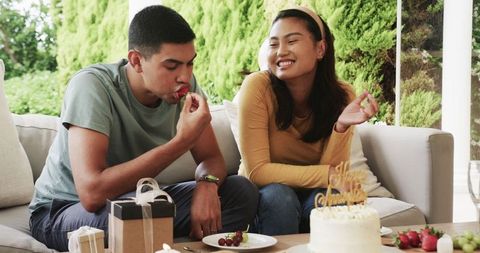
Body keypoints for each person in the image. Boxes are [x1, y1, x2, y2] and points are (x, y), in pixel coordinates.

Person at [28, 5, 258, 251]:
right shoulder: (92, 86)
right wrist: (180, 143)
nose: (184, 76)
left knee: (239, 191)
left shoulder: (184, 88)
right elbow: (92, 194)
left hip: (136, 201)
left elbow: (211, 159)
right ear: (137, 61)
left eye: (190, 63)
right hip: (63, 211)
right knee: (135, 213)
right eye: (171, 66)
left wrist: (207, 184)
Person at [236, 6, 379, 235]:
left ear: (320, 48)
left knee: (331, 197)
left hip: (313, 193)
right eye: (274, 44)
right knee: (280, 197)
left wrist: (340, 127)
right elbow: (258, 172)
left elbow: (332, 175)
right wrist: (328, 174)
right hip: (266, 194)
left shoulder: (342, 95)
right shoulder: (257, 87)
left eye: (292, 41)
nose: (280, 51)